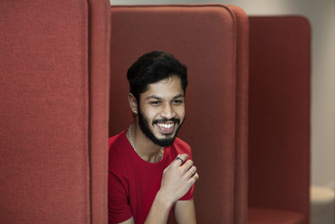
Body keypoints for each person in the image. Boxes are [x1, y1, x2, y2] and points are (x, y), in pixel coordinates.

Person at [108, 51, 199, 224]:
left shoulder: (181, 152)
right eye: (156, 102)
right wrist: (165, 196)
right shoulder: (108, 162)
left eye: (176, 101)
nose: (169, 113)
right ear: (134, 104)